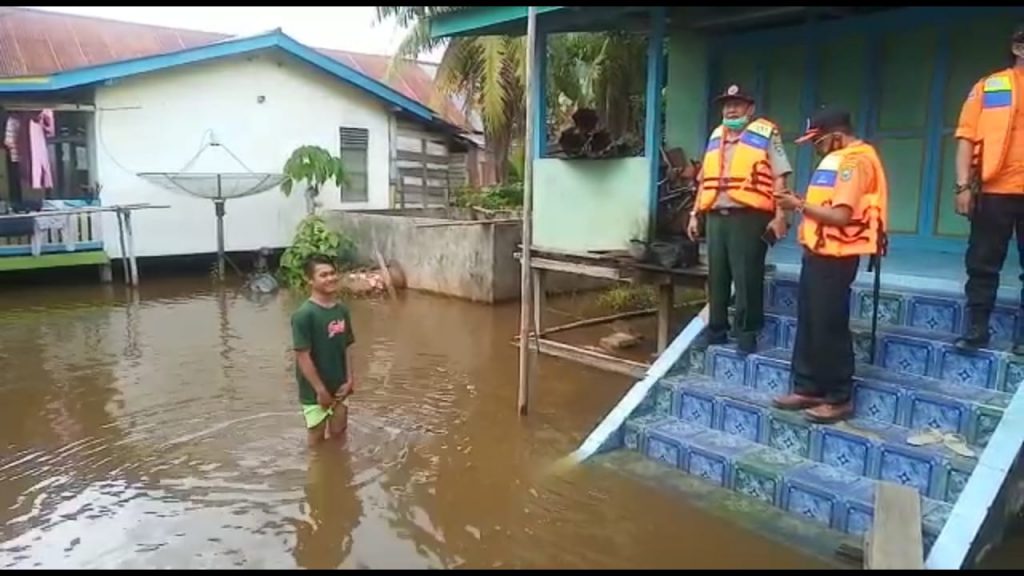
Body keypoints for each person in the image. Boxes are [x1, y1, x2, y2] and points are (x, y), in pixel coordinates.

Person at [772, 107, 889, 423]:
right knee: (810, 320)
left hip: (838, 256)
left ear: (837, 136)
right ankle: (808, 386)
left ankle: (838, 396)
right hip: (817, 252)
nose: (816, 148)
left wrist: (796, 204)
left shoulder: (855, 162)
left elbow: (840, 216)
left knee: (829, 324)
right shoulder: (835, 160)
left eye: (819, 141)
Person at [687, 84, 793, 353]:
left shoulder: (766, 133)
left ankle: (747, 333)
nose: (731, 108)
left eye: (737, 103)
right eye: (727, 104)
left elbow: (781, 175)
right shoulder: (715, 136)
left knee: (747, 276)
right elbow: (703, 181)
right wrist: (694, 214)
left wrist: (780, 215)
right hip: (716, 217)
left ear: (750, 108)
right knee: (717, 276)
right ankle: (717, 330)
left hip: (749, 216)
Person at [953, 24, 1024, 354]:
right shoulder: (988, 86)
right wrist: (962, 186)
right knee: (982, 262)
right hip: (994, 190)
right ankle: (978, 328)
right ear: (1018, 48)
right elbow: (966, 138)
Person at [292, 254, 356, 447]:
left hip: (339, 387)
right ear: (310, 280)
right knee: (316, 441)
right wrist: (320, 390)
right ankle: (317, 475)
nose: (330, 278)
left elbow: (346, 347)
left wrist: (350, 379)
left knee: (340, 434)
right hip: (314, 391)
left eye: (332, 273)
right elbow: (302, 356)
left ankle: (338, 473)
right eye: (323, 275)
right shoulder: (304, 315)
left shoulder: (341, 310)